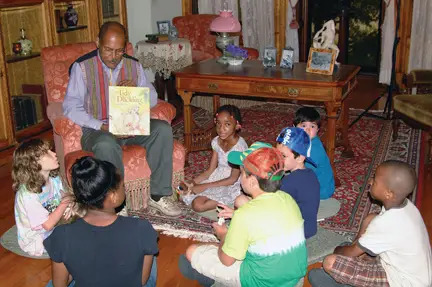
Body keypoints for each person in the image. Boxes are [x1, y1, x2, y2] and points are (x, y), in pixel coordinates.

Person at [62, 21, 180, 216]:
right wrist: (102, 126)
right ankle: (117, 204)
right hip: (98, 129)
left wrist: (137, 90)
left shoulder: (133, 65)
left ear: (125, 47)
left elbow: (152, 98)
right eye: (108, 50)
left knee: (162, 129)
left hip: (131, 122)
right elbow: (70, 107)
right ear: (97, 42)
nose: (114, 57)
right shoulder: (81, 67)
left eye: (119, 51)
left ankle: (159, 195)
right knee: (106, 144)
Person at [179, 142, 308, 287]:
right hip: (295, 279)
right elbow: (266, 220)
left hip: (261, 282)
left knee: (192, 252)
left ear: (252, 181)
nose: (240, 177)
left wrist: (223, 235)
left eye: (242, 173)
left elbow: (226, 260)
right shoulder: (288, 199)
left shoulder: (245, 215)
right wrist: (236, 215)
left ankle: (218, 281)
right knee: (233, 245)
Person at [308, 160, 432, 287]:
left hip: (400, 281)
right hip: (409, 272)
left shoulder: (385, 223)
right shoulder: (406, 206)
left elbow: (348, 253)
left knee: (330, 262)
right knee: (370, 219)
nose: (370, 181)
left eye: (375, 180)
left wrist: (336, 252)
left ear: (388, 194)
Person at [44, 156, 158, 287]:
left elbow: (59, 285)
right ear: (113, 196)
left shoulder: (62, 234)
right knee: (149, 248)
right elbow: (142, 281)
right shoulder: (141, 227)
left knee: (53, 280)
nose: (124, 188)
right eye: (122, 186)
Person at [180, 105, 248, 212]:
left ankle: (232, 200)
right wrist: (192, 183)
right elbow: (210, 170)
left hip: (231, 183)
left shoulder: (239, 147)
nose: (221, 129)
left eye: (227, 124)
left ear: (237, 125)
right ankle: (220, 200)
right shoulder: (216, 141)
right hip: (217, 177)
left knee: (198, 205)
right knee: (187, 193)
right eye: (218, 124)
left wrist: (204, 186)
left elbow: (233, 179)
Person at [13, 139, 70, 257]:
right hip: (37, 237)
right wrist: (65, 203)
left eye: (51, 150)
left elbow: (65, 195)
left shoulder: (53, 178)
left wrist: (70, 206)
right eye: (47, 153)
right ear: (33, 163)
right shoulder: (28, 194)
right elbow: (47, 225)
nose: (54, 154)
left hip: (56, 224)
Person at [276, 127, 320, 239]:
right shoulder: (310, 173)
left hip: (297, 232)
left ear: (300, 158)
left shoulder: (289, 182)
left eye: (283, 156)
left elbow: (271, 203)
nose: (278, 160)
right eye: (277, 154)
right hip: (310, 227)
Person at [294, 106, 335, 199]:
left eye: (312, 126)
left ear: (317, 129)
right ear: (294, 127)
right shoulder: (300, 140)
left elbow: (305, 174)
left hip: (321, 190)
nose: (307, 130)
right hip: (313, 180)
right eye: (303, 126)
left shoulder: (313, 149)